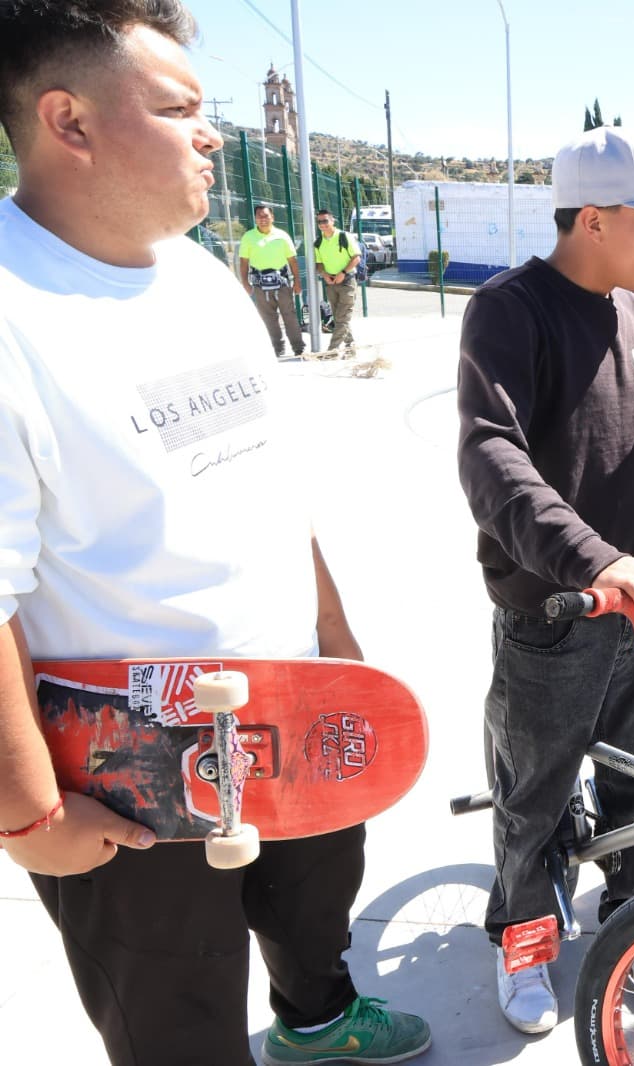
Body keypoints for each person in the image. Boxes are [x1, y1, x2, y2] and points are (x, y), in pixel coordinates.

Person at [0, 4, 429, 1064]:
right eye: (180, 107)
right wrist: (26, 814)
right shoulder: (14, 314)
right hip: (129, 765)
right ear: (70, 121)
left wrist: (333, 636)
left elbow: (273, 481)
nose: (213, 133)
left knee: (315, 902)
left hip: (287, 703)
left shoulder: (199, 272)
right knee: (175, 1016)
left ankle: (318, 1024)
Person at [456, 125, 634, 1034]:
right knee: (534, 792)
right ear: (597, 219)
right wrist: (596, 559)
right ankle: (524, 939)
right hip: (558, 610)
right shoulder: (511, 309)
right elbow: (491, 456)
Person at [239, 202, 305, 360]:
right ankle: (277, 348)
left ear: (272, 217)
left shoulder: (282, 236)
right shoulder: (248, 237)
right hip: (260, 286)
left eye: (266, 216)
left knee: (289, 316)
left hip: (282, 284)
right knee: (268, 319)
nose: (263, 219)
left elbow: (293, 260)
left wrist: (297, 281)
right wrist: (245, 283)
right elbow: (243, 262)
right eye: (259, 216)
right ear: (255, 218)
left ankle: (299, 348)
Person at [312, 208, 361, 358]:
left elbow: (356, 258)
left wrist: (343, 273)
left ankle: (332, 351)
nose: (323, 224)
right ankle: (350, 347)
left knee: (342, 317)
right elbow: (319, 263)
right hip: (331, 283)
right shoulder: (319, 242)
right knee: (339, 317)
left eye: (325, 220)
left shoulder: (344, 236)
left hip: (347, 282)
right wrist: (324, 274)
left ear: (332, 221)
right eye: (320, 222)